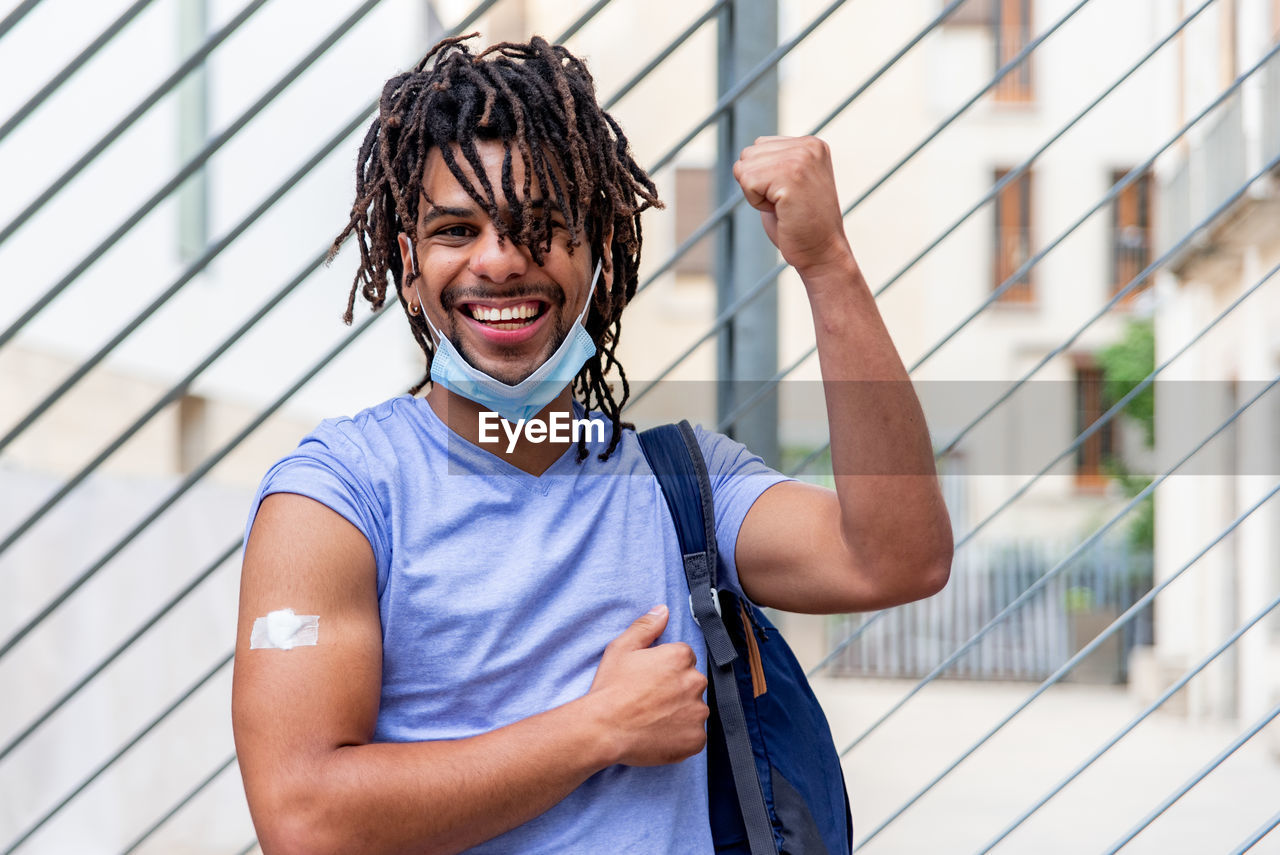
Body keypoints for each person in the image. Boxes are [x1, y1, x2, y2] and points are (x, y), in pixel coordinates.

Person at [231, 34, 952, 855]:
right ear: (407, 266)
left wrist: (826, 264)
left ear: (599, 257)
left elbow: (896, 558)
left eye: (538, 225)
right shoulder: (337, 499)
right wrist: (597, 727)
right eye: (457, 230)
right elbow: (304, 819)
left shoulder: (686, 485)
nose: (499, 262)